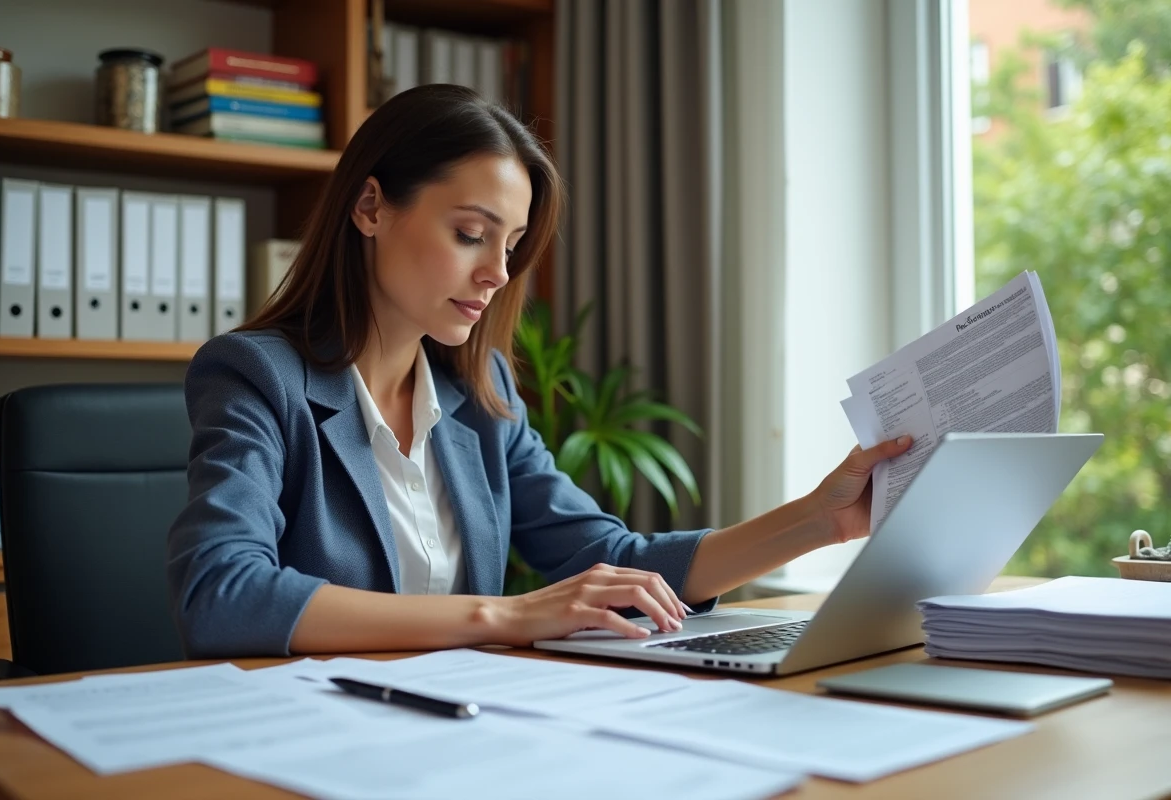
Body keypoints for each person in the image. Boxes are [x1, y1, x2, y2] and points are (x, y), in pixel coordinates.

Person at [167, 84, 912, 659]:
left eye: (512, 245)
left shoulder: (477, 394)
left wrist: (821, 517)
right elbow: (224, 593)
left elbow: (614, 560)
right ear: (370, 207)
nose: (496, 273)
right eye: (470, 234)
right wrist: (505, 615)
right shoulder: (256, 376)